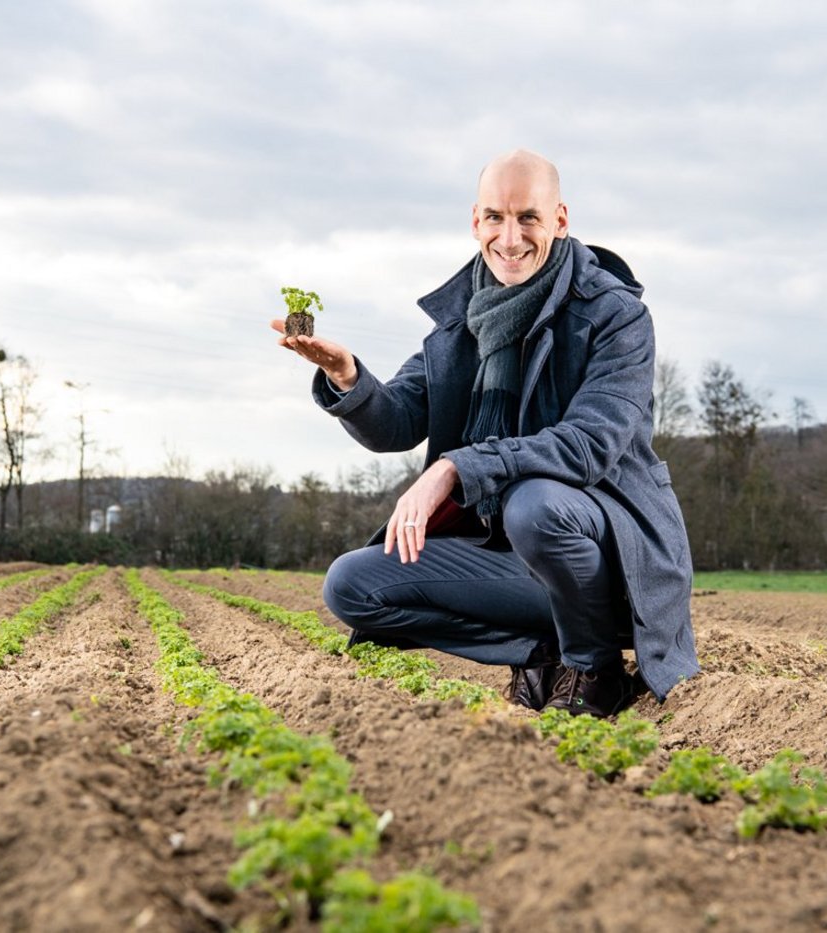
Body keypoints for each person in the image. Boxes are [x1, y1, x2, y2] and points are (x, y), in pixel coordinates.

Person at [272, 149, 698, 716]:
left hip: (611, 561)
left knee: (534, 505)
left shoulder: (615, 315)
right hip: (503, 555)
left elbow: (590, 444)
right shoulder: (466, 318)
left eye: (528, 217)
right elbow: (397, 420)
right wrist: (347, 376)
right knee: (351, 584)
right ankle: (542, 652)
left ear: (560, 220)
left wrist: (455, 467)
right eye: (495, 217)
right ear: (476, 222)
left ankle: (595, 668)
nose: (510, 237)